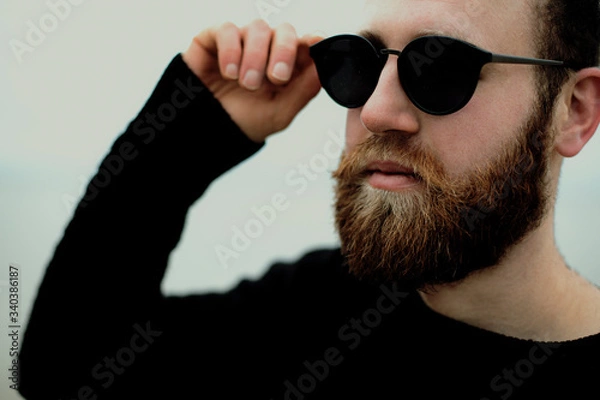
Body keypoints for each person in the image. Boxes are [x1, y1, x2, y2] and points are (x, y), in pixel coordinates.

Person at [17, 0, 600, 399]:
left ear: (573, 111)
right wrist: (187, 133)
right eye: (358, 65)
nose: (373, 111)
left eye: (441, 68)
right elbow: (65, 369)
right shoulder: (321, 309)